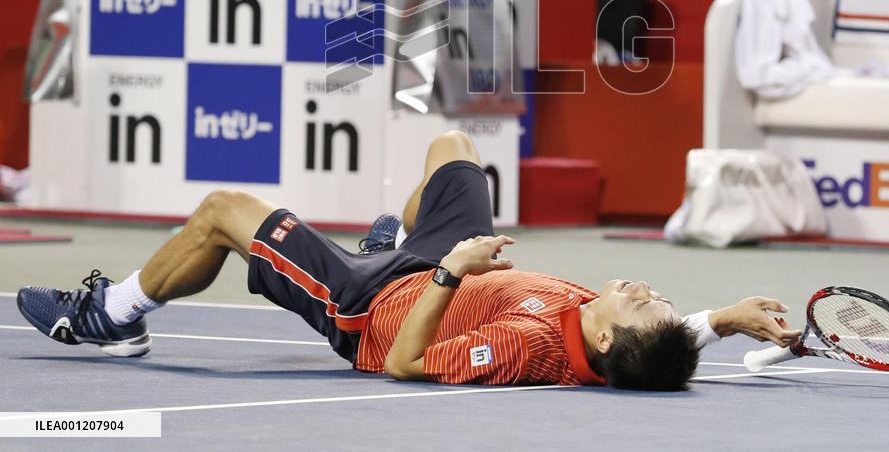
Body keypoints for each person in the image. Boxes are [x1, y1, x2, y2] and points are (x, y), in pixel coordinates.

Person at [15, 130, 800, 389]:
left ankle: (110, 314)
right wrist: (723, 319)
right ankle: (395, 241)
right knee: (454, 149)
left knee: (224, 210)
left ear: (600, 336)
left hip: (371, 305)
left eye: (639, 299)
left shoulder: (525, 344)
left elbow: (404, 363)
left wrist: (453, 268)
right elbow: (651, 350)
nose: (640, 285)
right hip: (429, 262)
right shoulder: (616, 341)